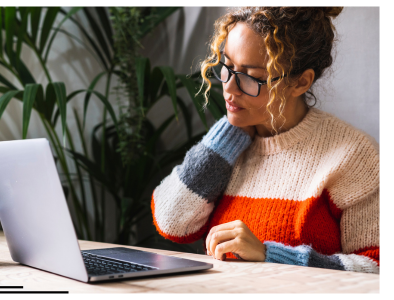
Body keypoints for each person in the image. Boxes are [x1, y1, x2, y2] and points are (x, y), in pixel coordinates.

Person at [150, 7, 379, 274]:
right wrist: (228, 136)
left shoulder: (353, 156)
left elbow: (378, 267)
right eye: (227, 66)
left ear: (301, 82)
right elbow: (171, 222)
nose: (229, 89)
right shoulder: (230, 144)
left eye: (252, 77)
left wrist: (269, 254)